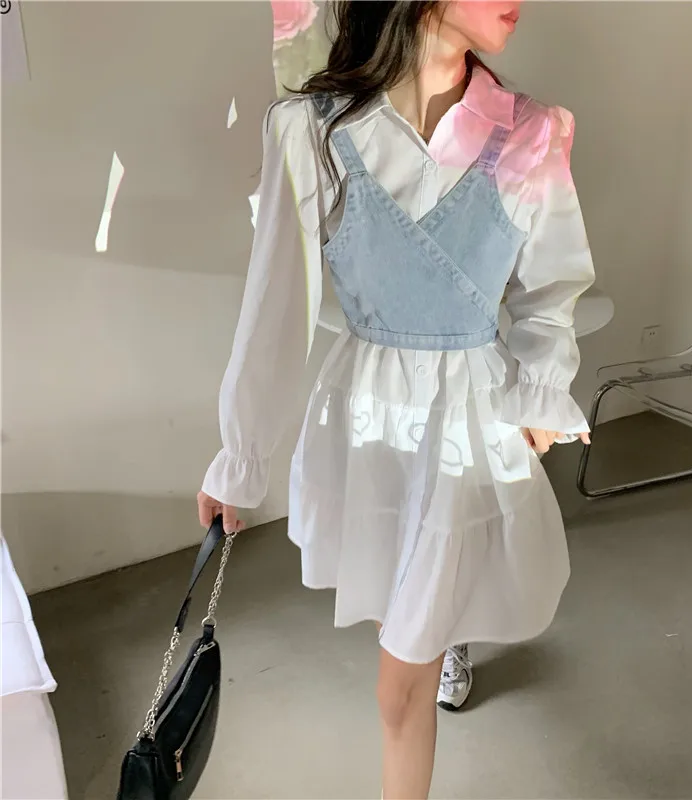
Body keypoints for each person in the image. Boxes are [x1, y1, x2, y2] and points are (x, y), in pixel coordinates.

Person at [198, 1, 594, 796]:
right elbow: (274, 306)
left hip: (468, 432)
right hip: (367, 424)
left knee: (398, 683)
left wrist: (539, 397)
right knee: (400, 619)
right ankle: (439, 642)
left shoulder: (532, 134)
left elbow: (551, 290)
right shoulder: (311, 132)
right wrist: (241, 457)